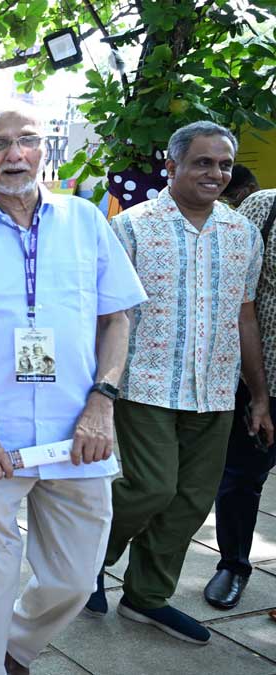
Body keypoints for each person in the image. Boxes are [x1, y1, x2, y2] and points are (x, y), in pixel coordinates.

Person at [0, 103, 147, 674]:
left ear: (44, 150)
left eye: (26, 141)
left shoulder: (86, 220)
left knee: (76, 576)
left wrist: (103, 401)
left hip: (78, 431)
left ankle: (14, 643)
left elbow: (118, 318)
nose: (13, 155)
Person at [88, 121, 274, 644]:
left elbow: (245, 317)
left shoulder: (241, 233)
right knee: (148, 488)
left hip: (213, 390)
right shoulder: (132, 228)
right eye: (202, 162)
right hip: (144, 384)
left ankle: (147, 596)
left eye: (224, 164)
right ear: (172, 166)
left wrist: (258, 395)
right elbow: (105, 316)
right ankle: (83, 568)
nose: (215, 173)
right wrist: (98, 388)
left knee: (191, 500)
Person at [206, 187, 276, 610]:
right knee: (242, 478)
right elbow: (237, 297)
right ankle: (233, 564)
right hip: (262, 376)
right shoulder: (264, 207)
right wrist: (258, 391)